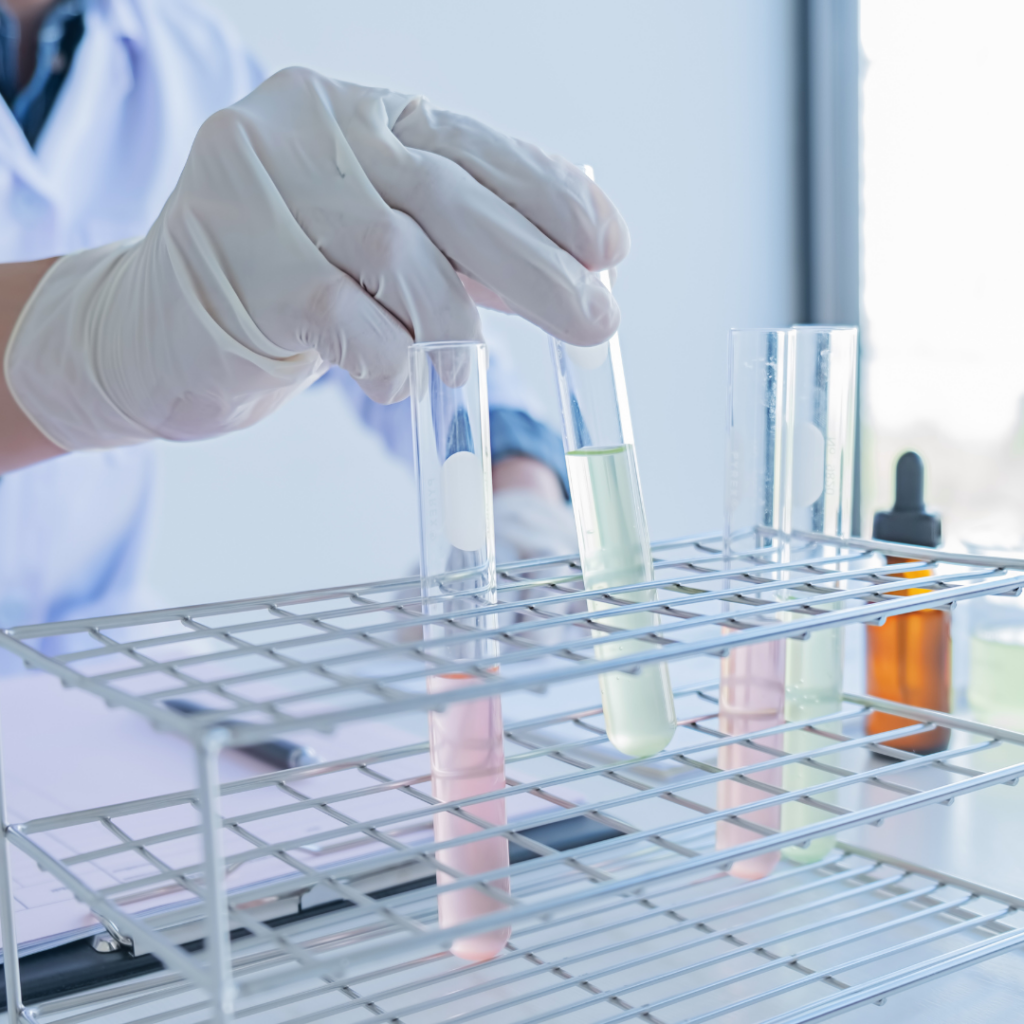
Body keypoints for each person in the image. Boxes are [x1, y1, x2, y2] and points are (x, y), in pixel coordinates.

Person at [0, 0, 628, 649]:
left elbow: (363, 284)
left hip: (97, 659)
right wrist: (89, 337)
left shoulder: (189, 57)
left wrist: (517, 483)